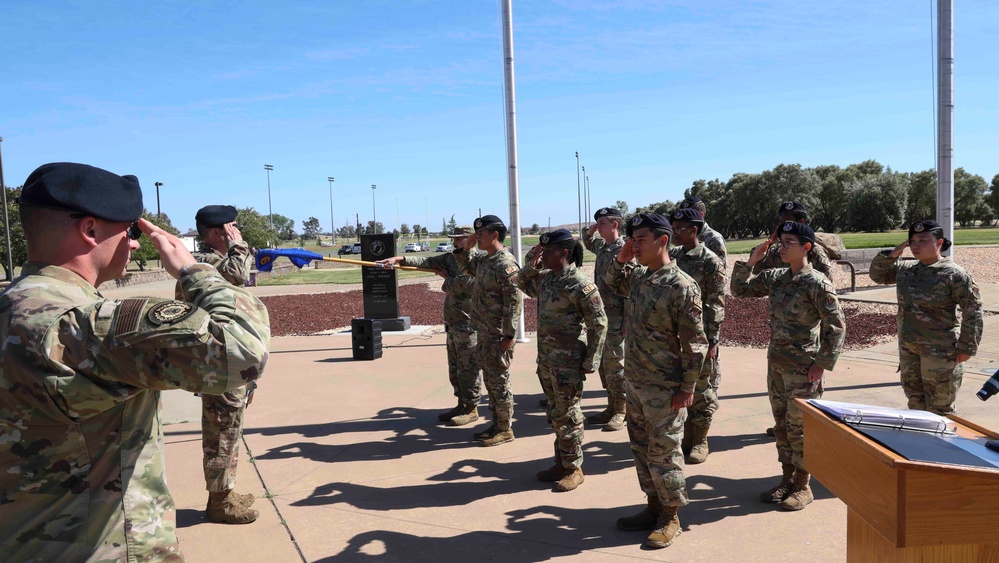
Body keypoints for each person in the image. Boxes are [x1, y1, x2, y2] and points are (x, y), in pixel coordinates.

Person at [0, 163, 270, 561]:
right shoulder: (87, 324)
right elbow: (242, 350)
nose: (135, 244)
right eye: (127, 231)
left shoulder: (12, 307)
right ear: (90, 231)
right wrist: (192, 269)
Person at [605, 213, 707, 549]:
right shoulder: (638, 277)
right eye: (632, 238)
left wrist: (688, 387)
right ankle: (652, 507)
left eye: (641, 239)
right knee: (641, 451)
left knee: (665, 454)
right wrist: (622, 255)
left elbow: (695, 345)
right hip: (635, 382)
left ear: (663, 241)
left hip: (665, 389)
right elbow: (610, 279)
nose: (634, 245)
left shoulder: (682, 285)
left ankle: (670, 516)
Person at [731, 221, 845, 511]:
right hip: (777, 365)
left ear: (806, 247)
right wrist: (751, 261)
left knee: (801, 429)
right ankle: (786, 479)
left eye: (788, 243)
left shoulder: (817, 283)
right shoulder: (776, 277)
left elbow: (837, 327)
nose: (781, 247)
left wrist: (822, 364)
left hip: (803, 369)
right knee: (781, 426)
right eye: (780, 242)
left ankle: (803, 486)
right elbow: (740, 291)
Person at [517, 229, 607, 492]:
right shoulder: (547, 279)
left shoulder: (580, 284)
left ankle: (574, 468)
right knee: (556, 413)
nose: (542, 254)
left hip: (568, 361)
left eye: (547, 251)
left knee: (569, 414)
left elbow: (599, 323)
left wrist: (592, 359)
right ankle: (561, 462)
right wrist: (532, 260)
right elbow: (521, 283)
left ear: (564, 253)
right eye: (541, 251)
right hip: (546, 359)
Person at [190, 204, 260, 524]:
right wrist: (239, 245)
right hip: (217, 361)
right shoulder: (205, 260)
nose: (237, 232)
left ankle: (225, 491)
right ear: (219, 232)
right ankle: (218, 501)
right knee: (221, 430)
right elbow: (237, 275)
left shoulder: (219, 257)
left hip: (230, 358)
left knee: (229, 428)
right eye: (232, 227)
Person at [869, 220, 983, 415]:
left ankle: (942, 445)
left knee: (940, 408)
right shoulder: (906, 270)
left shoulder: (954, 274)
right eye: (912, 241)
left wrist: (967, 347)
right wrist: (896, 251)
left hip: (939, 352)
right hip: (909, 349)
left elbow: (973, 310)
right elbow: (877, 275)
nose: (916, 245)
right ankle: (919, 444)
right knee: (915, 404)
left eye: (923, 240)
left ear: (939, 243)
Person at [378, 225, 481, 426]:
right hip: (453, 323)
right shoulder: (451, 258)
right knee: (455, 368)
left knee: (469, 368)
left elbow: (465, 283)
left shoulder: (477, 261)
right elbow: (427, 261)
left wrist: (446, 278)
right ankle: (461, 403)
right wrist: (399, 259)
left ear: (471, 240)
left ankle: (472, 408)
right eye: (454, 238)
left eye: (459, 239)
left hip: (469, 324)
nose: (454, 242)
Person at [457, 215, 524, 447]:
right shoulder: (486, 261)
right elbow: (465, 265)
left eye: (482, 234)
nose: (478, 238)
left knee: (500, 382)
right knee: (491, 382)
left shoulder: (505, 264)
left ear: (495, 235)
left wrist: (509, 334)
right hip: (484, 332)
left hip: (498, 335)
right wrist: (469, 246)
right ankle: (496, 424)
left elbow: (514, 303)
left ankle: (505, 429)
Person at [669, 208, 726, 464]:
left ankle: (701, 439)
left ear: (693, 230)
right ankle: (685, 437)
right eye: (673, 227)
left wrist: (713, 339)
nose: (674, 233)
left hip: (700, 337)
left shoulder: (710, 260)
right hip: (675, 335)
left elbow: (716, 302)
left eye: (679, 229)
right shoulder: (673, 256)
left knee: (701, 390)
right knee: (681, 385)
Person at [581, 207, 628, 431]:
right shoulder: (603, 246)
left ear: (615, 225)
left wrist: (628, 319)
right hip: (600, 316)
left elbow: (631, 286)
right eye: (597, 223)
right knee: (603, 364)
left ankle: (621, 410)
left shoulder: (625, 249)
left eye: (602, 223)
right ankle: (611, 406)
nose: (598, 227)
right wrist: (591, 229)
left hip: (618, 315)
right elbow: (586, 241)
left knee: (616, 365)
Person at [751, 201, 836, 280]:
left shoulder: (814, 251)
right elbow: (758, 272)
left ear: (801, 222)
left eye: (788, 222)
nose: (783, 226)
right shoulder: (778, 250)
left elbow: (827, 281)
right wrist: (769, 242)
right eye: (781, 222)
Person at [678, 196, 728, 263]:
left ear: (701, 215)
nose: (684, 219)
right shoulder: (682, 236)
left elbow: (720, 270)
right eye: (683, 215)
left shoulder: (714, 239)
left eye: (689, 215)